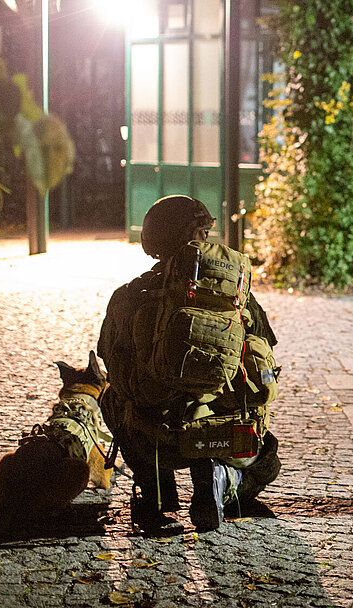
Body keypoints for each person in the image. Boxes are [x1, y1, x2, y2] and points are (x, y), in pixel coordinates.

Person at [98, 195, 281, 533]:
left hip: (158, 437)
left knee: (110, 398)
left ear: (153, 241)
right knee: (266, 451)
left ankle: (154, 497)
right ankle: (223, 479)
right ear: (203, 235)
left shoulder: (131, 295)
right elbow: (265, 350)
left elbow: (111, 359)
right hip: (227, 432)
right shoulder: (238, 296)